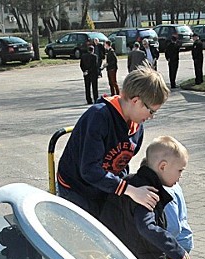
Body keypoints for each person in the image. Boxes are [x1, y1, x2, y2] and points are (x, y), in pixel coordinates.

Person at [56, 67, 170, 216]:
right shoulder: (99, 117)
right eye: (151, 111)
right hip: (76, 188)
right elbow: (89, 170)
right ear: (136, 101)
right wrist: (129, 190)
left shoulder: (137, 127)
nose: (151, 117)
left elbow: (121, 164)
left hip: (102, 187)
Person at [98, 135, 190, 259]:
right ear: (163, 166)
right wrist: (173, 248)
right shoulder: (148, 193)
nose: (180, 177)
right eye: (179, 171)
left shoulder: (130, 183)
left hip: (124, 257)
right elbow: (146, 227)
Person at [163, 182, 193, 259]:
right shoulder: (172, 184)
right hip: (181, 239)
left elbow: (173, 227)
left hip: (175, 242)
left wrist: (165, 244)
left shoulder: (165, 191)